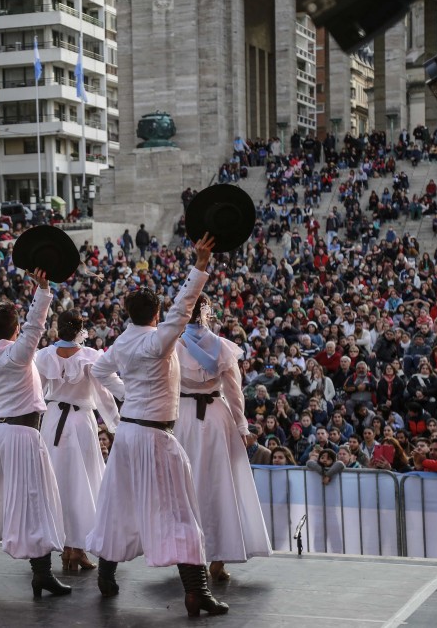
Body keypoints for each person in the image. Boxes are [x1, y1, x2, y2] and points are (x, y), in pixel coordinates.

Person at [86, 234, 229, 617]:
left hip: (128, 432)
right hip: (153, 435)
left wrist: (128, 393)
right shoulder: (155, 342)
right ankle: (196, 592)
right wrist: (200, 265)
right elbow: (183, 309)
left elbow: (98, 371)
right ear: (155, 314)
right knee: (179, 510)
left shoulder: (121, 343)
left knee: (118, 505)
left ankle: (106, 577)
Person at [0, 268, 70, 597]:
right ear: (15, 329)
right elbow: (37, 324)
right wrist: (43, 290)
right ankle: (42, 574)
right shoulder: (16, 353)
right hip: (21, 433)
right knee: (33, 499)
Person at [174, 295, 271, 582]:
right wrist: (242, 427)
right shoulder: (223, 347)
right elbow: (234, 392)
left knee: (188, 486)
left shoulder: (173, 346)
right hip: (216, 417)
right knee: (219, 487)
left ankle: (190, 556)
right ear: (207, 314)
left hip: (183, 419)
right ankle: (216, 559)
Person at [34, 308, 122, 572]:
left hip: (52, 422)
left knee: (59, 484)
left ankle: (66, 547)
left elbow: (35, 393)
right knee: (82, 484)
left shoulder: (44, 355)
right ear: (81, 329)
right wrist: (116, 424)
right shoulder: (91, 356)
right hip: (81, 421)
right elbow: (106, 394)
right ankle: (76, 548)